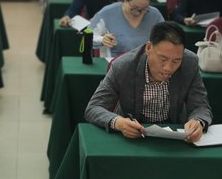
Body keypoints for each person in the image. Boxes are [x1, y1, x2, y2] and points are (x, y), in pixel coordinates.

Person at [84, 21, 212, 143]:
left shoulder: (190, 63)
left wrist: (198, 121)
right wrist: (118, 122)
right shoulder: (123, 66)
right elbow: (93, 108)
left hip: (174, 136)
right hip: (133, 135)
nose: (168, 68)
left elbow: (200, 105)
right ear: (149, 48)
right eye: (163, 59)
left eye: (176, 61)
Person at [88, 0, 164, 57]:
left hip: (145, 61)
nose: (138, 13)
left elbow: (165, 37)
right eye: (135, 8)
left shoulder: (154, 15)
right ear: (125, 0)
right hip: (114, 61)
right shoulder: (107, 13)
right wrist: (102, 40)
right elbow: (88, 38)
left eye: (144, 9)